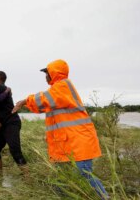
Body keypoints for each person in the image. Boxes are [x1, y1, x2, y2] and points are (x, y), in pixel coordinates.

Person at [12, 59, 108, 199]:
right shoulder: (57, 90)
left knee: (85, 175)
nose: (45, 76)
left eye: (47, 73)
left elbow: (44, 99)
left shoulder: (63, 86)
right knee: (61, 178)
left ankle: (104, 197)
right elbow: (41, 106)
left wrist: (25, 101)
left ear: (54, 73)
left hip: (80, 141)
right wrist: (27, 104)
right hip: (68, 142)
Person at [0, 71, 27, 173]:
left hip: (11, 123)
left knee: (15, 151)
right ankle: (0, 177)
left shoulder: (1, 88)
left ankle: (27, 178)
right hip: (2, 124)